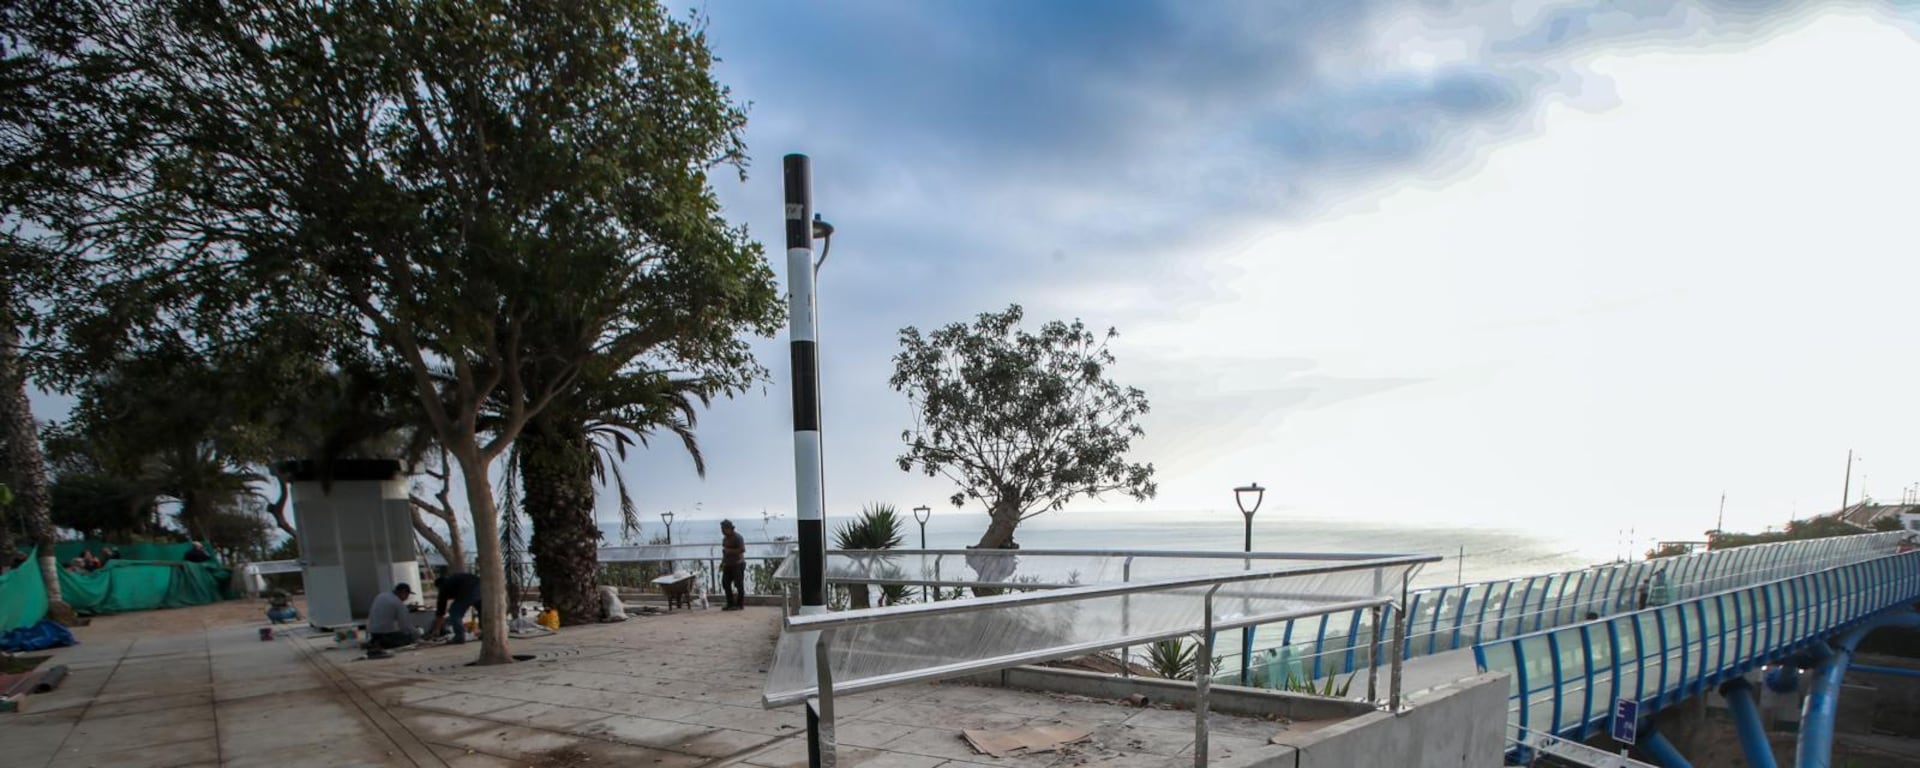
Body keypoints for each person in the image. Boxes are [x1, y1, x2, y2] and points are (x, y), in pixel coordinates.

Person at [432, 571, 482, 644]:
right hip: (480, 589)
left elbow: (440, 611)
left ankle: (459, 637)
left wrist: (437, 629)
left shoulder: (444, 586)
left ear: (439, 586)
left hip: (467, 590)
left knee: (455, 613)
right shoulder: (454, 579)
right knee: (482, 612)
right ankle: (486, 633)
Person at [366, 583, 416, 656]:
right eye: (407, 595)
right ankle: (383, 643)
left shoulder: (381, 596)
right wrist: (417, 633)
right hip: (386, 635)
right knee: (409, 637)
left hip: (373, 633)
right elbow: (405, 627)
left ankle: (376, 642)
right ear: (403, 593)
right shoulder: (398, 603)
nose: (407, 598)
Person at [720, 519, 746, 611]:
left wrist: (730, 551)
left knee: (739, 584)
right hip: (728, 564)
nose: (722, 531)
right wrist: (723, 561)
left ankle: (740, 604)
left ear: (729, 528)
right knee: (725, 583)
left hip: (738, 564)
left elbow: (742, 549)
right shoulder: (725, 539)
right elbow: (725, 550)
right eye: (721, 529)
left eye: (723, 529)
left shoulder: (738, 537)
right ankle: (730, 603)